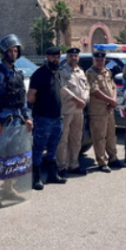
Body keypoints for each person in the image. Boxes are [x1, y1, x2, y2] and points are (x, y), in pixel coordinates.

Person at [0, 34, 34, 199]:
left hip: (17, 122)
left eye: (15, 51)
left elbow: (21, 98)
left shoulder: (18, 73)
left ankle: (9, 188)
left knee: (14, 157)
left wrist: (27, 117)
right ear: (3, 53)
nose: (13, 54)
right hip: (1, 123)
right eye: (10, 51)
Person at [28, 46, 66, 188]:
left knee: (53, 147)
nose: (56, 60)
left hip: (57, 117)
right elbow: (30, 96)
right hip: (43, 117)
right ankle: (36, 178)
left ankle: (52, 175)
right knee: (38, 149)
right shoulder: (39, 74)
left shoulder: (58, 73)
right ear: (47, 57)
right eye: (53, 57)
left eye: (58, 57)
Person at [86, 50, 125, 172]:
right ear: (94, 60)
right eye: (97, 60)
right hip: (97, 110)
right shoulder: (90, 73)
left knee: (111, 136)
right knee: (99, 137)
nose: (100, 62)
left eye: (102, 60)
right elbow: (95, 91)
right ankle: (102, 162)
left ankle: (113, 158)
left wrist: (113, 100)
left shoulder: (107, 72)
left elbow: (113, 87)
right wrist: (110, 100)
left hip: (109, 109)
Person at [57, 48, 89, 177]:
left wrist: (85, 100)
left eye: (76, 55)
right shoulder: (62, 71)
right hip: (67, 110)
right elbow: (62, 88)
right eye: (71, 56)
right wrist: (77, 100)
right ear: (67, 57)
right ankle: (62, 166)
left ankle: (74, 164)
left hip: (79, 110)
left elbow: (86, 87)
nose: (74, 58)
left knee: (76, 138)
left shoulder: (81, 71)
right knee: (63, 139)